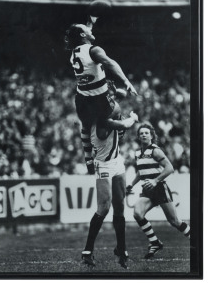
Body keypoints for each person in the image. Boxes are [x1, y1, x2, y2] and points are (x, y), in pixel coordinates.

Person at [65, 18, 137, 175]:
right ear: (83, 34)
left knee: (86, 125)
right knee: (113, 114)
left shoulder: (75, 51)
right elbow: (111, 63)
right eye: (88, 29)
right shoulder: (94, 50)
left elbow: (85, 31)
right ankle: (120, 129)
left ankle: (88, 159)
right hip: (98, 99)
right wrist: (126, 81)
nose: (91, 30)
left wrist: (91, 20)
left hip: (82, 99)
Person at [81, 91, 138, 269]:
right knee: (104, 207)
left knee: (119, 207)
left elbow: (115, 102)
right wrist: (133, 117)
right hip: (104, 165)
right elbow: (125, 123)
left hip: (117, 161)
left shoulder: (99, 115)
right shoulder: (103, 120)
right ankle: (87, 251)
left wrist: (115, 93)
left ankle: (121, 249)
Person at [126, 123, 190, 259]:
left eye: (146, 133)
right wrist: (131, 184)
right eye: (141, 133)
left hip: (160, 188)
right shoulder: (138, 153)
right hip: (147, 190)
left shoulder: (155, 150)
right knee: (137, 213)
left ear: (151, 136)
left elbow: (170, 168)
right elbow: (140, 172)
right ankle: (154, 242)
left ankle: (196, 239)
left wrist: (155, 181)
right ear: (138, 136)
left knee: (175, 221)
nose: (144, 135)